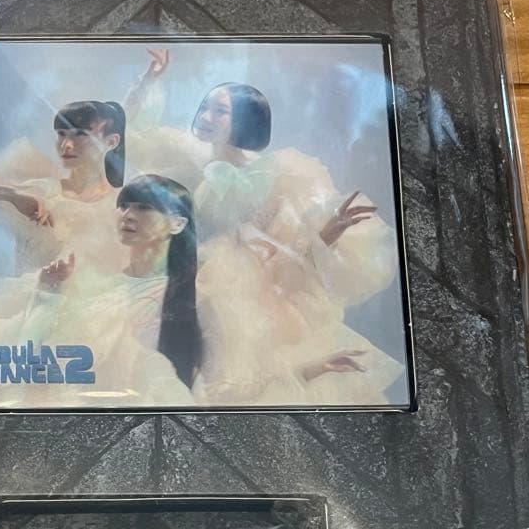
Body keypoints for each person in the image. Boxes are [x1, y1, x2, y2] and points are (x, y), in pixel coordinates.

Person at [125, 50, 405, 406]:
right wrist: (150, 80)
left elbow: (296, 250)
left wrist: (331, 229)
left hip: (246, 284)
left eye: (220, 111)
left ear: (245, 121)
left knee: (237, 372)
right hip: (188, 270)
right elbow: (134, 135)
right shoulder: (190, 152)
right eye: (205, 106)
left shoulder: (278, 172)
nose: (206, 116)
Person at [0, 175, 203, 408]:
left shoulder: (197, 296)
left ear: (178, 223)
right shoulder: (93, 283)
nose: (128, 216)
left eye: (144, 208)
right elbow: (27, 357)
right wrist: (49, 293)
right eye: (125, 206)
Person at [0, 100, 128, 321]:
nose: (66, 144)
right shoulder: (46, 190)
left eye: (80, 134)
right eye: (61, 134)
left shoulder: (124, 207)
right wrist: (13, 195)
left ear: (111, 141)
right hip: (27, 316)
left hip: (90, 321)